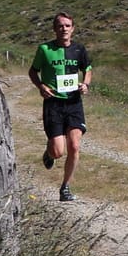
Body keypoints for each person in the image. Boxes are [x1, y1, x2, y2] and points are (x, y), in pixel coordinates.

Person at [28, 11, 92, 202]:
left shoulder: (79, 49)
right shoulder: (44, 49)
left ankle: (65, 187)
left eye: (67, 26)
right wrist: (41, 86)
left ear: (73, 29)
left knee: (74, 146)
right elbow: (33, 71)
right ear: (54, 29)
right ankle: (49, 152)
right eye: (60, 26)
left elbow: (87, 69)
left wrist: (85, 84)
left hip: (73, 103)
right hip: (53, 104)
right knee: (58, 152)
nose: (64, 29)